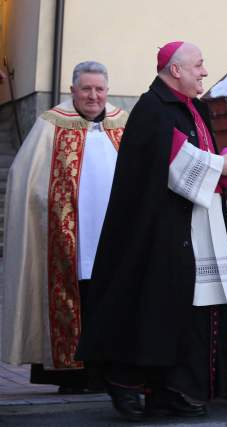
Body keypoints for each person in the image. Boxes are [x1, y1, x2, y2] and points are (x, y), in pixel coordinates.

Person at [75, 41, 227, 421]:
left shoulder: (195, 109)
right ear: (175, 70)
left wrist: (226, 176)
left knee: (187, 313)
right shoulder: (152, 111)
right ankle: (128, 384)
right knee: (149, 309)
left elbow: (194, 163)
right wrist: (219, 167)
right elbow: (172, 164)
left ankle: (174, 390)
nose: (204, 72)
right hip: (152, 234)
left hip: (190, 228)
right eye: (198, 65)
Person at [1, 62, 128, 393]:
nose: (93, 96)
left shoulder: (121, 123)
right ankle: (69, 378)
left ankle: (106, 376)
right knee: (71, 302)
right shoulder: (50, 124)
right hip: (66, 235)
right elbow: (24, 176)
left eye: (99, 89)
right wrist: (48, 202)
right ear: (72, 91)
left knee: (108, 303)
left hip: (114, 237)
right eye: (86, 88)